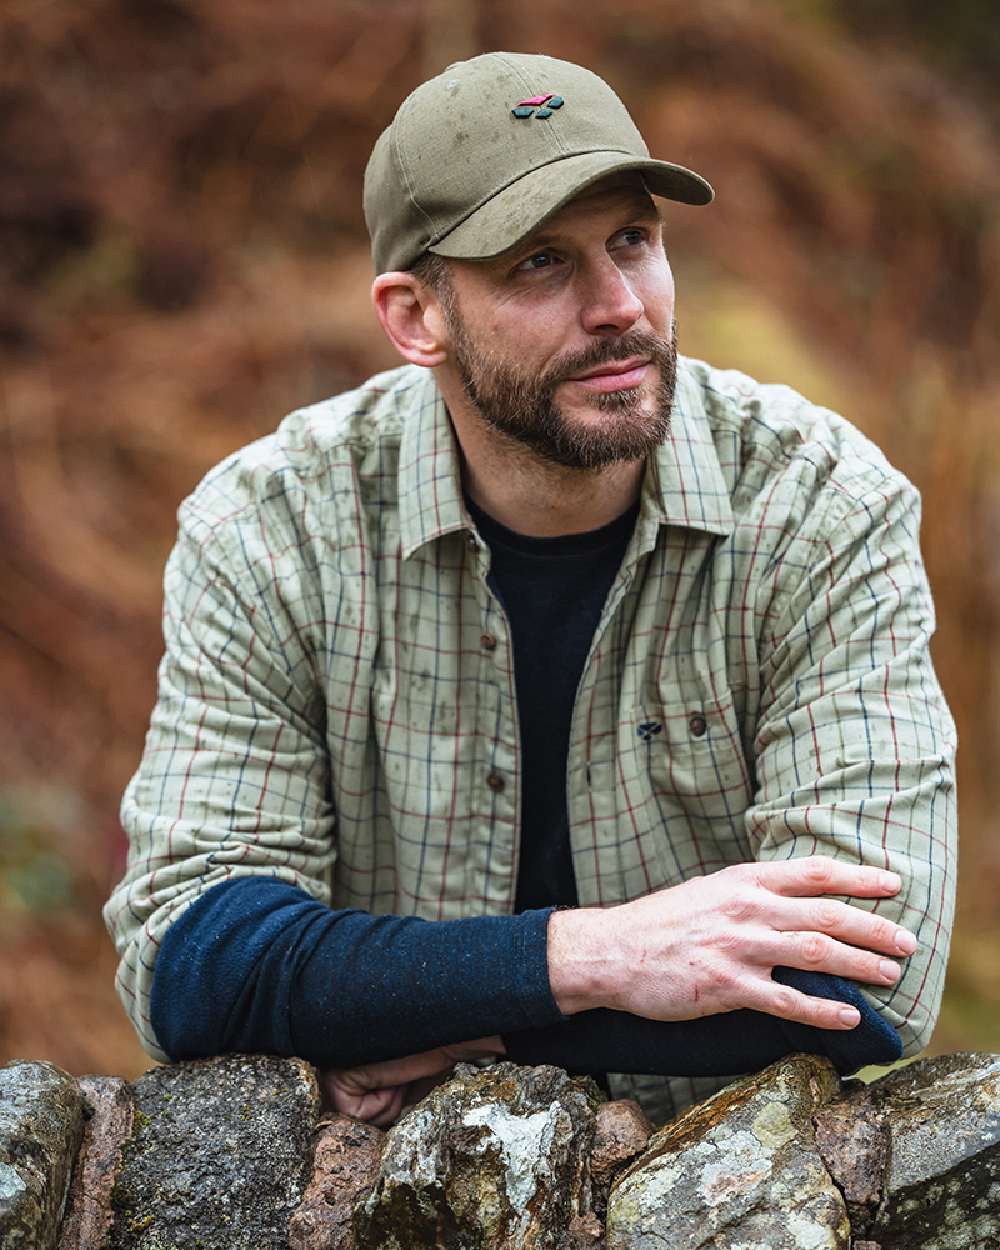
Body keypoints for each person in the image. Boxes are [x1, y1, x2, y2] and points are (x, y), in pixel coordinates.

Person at [104, 52, 957, 1128]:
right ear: (416, 317)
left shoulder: (819, 506)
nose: (619, 307)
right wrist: (592, 956)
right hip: (386, 1189)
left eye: (632, 240)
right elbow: (190, 960)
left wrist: (449, 1023)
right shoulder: (272, 528)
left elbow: (870, 978)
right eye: (541, 262)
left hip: (725, 1181)